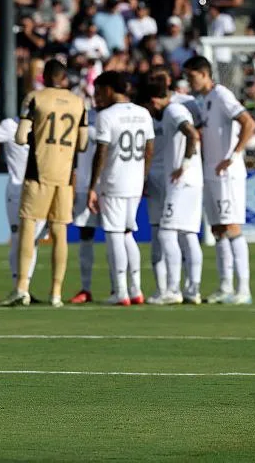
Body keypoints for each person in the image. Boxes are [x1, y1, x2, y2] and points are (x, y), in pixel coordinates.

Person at [0, 59, 88, 307]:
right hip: (64, 174)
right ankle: (56, 293)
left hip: (39, 171)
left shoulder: (35, 98)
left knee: (28, 228)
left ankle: (22, 288)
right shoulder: (79, 102)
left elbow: (19, 137)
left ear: (45, 76)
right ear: (63, 78)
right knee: (60, 232)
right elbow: (82, 144)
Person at [182, 56, 255, 304]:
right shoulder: (206, 101)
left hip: (227, 174)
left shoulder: (222, 95)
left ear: (204, 74)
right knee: (218, 229)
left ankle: (243, 289)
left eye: (192, 76)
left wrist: (233, 156)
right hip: (212, 173)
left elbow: (249, 123)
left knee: (232, 227)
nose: (189, 82)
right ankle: (225, 286)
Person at [88, 71, 155, 306]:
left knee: (114, 234)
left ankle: (121, 291)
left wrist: (93, 186)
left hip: (114, 182)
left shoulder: (106, 116)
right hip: (135, 183)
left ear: (108, 89)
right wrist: (143, 177)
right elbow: (149, 149)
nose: (97, 97)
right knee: (128, 234)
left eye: (98, 91)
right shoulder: (143, 113)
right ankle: (136, 290)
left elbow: (101, 152)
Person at [138, 79, 203, 305]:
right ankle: (192, 290)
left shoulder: (173, 110)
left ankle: (172, 290)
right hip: (192, 181)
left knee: (166, 233)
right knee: (187, 235)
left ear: (153, 101)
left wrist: (183, 165)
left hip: (182, 182)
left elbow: (192, 134)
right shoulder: (174, 110)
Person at [0, 116, 46, 299]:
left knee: (33, 241)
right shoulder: (10, 125)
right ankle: (17, 286)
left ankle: (24, 286)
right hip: (17, 191)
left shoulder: (47, 125)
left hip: (40, 190)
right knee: (18, 238)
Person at [69, 107, 99, 304]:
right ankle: (86, 288)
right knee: (85, 236)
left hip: (113, 186)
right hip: (84, 185)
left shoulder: (117, 115)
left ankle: (123, 288)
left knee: (120, 236)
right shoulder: (84, 117)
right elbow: (72, 157)